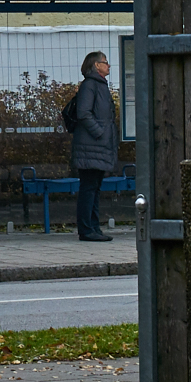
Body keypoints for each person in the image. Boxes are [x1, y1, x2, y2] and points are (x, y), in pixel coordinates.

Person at [69, 49, 119, 242]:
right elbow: (83, 113)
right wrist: (100, 132)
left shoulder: (99, 85)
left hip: (97, 146)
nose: (108, 65)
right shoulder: (90, 85)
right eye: (105, 62)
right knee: (89, 187)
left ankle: (94, 227)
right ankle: (86, 229)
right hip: (91, 146)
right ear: (96, 65)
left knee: (94, 187)